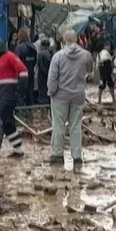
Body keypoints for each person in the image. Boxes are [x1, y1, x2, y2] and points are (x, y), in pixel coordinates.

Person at [48, 29, 91, 168]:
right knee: (75, 126)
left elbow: (52, 78)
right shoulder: (86, 55)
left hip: (60, 96)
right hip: (78, 96)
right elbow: (90, 71)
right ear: (78, 40)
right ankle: (77, 157)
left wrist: (51, 92)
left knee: (58, 125)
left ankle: (58, 155)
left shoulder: (58, 56)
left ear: (64, 42)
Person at [0, 35, 28, 157]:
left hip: (8, 93)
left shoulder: (10, 56)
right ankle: (18, 149)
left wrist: (20, 90)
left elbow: (23, 71)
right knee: (7, 123)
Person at [13, 28, 37, 105]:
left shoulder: (18, 48)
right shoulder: (33, 47)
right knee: (30, 95)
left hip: (22, 76)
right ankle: (30, 112)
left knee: (20, 96)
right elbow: (35, 61)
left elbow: (15, 63)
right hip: (31, 73)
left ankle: (21, 113)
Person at [96, 39, 116, 104]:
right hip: (105, 69)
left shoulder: (100, 53)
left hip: (102, 70)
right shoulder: (105, 52)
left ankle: (99, 100)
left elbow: (99, 63)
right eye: (109, 46)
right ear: (106, 46)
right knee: (110, 84)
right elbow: (106, 61)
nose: (109, 48)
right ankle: (113, 99)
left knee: (102, 85)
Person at [34, 38, 53, 105]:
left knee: (42, 91)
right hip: (49, 75)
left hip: (42, 76)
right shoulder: (50, 53)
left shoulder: (40, 54)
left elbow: (40, 66)